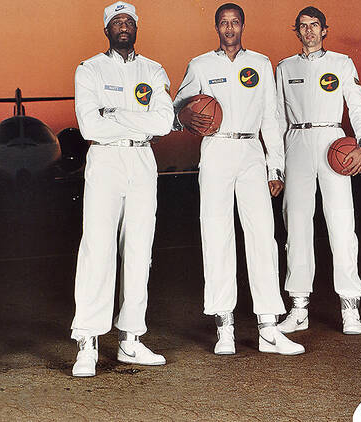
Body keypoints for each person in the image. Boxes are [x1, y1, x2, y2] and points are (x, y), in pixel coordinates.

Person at [174, 3, 304, 356]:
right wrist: (185, 116)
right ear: (216, 27)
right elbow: (178, 109)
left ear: (242, 25)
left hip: (251, 152)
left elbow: (272, 119)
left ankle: (268, 327)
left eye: (234, 22)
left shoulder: (261, 64)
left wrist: (275, 167)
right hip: (216, 150)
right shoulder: (200, 65)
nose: (229, 28)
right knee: (216, 234)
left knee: (263, 234)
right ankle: (224, 326)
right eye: (223, 23)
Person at [70, 1, 173, 377]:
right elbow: (90, 128)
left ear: (136, 27)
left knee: (139, 250)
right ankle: (87, 341)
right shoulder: (90, 69)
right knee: (97, 248)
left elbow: (163, 122)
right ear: (107, 30)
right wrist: (136, 121)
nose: (123, 26)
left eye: (129, 20)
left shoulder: (154, 69)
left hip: (143, 161)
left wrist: (113, 114)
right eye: (116, 22)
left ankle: (131, 339)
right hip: (105, 161)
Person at [275, 6, 361, 336]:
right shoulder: (284, 67)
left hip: (334, 142)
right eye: (302, 26)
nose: (308, 31)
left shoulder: (341, 63)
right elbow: (277, 119)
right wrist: (274, 165)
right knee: (297, 226)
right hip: (297, 142)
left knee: (341, 223)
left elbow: (358, 106)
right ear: (297, 31)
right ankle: (299, 306)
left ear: (324, 30)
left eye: (314, 25)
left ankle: (350, 306)